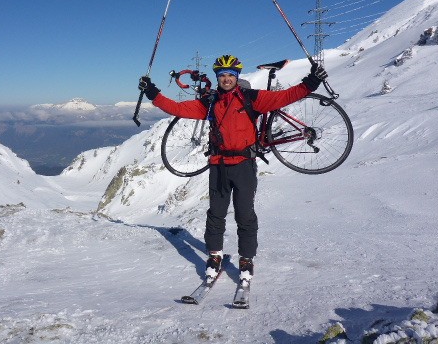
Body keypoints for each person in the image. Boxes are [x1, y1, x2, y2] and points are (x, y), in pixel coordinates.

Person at [139, 54, 327, 283]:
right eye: (222, 75)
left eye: (230, 75)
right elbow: (178, 109)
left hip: (244, 166)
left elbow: (284, 97)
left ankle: (246, 259)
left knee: (244, 215)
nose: (226, 79)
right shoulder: (210, 103)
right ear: (217, 77)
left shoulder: (251, 98)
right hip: (218, 166)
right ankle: (215, 256)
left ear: (237, 77)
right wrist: (152, 93)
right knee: (215, 214)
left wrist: (311, 83)